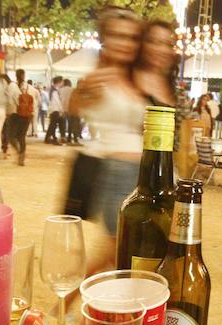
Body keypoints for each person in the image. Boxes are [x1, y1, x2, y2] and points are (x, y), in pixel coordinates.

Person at [74, 5, 145, 247]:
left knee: (130, 251)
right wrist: (83, 90)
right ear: (104, 39)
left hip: (141, 174)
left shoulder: (132, 77)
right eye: (117, 35)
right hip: (116, 171)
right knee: (118, 249)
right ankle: (73, 286)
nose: (126, 43)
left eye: (132, 37)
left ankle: (76, 285)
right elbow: (75, 106)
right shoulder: (97, 78)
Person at [132, 18, 188, 151]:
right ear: (142, 44)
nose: (161, 49)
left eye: (168, 44)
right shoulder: (128, 81)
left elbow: (183, 142)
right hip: (129, 166)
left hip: (166, 168)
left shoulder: (178, 94)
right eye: (154, 42)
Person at [10, 69, 35, 165]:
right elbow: (34, 103)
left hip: (15, 114)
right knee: (22, 137)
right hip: (27, 115)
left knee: (11, 136)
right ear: (24, 75)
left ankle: (18, 151)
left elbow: (9, 100)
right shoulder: (30, 88)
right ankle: (22, 157)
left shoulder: (12, 86)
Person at [45, 75, 65, 144]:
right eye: (62, 81)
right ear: (59, 82)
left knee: (53, 124)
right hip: (55, 109)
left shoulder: (53, 89)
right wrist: (61, 110)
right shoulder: (54, 91)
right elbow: (57, 101)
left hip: (53, 109)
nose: (63, 83)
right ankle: (48, 138)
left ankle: (51, 138)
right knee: (53, 125)